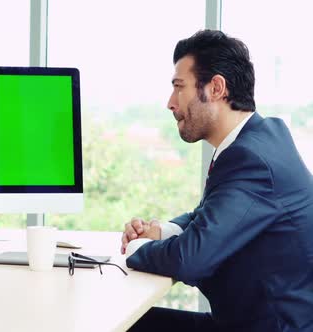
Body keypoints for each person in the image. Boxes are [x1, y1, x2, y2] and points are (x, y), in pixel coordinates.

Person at [121, 30, 313, 332]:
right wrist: (162, 231)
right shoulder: (262, 136)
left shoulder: (251, 159)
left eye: (179, 88)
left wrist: (136, 250)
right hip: (251, 322)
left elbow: (190, 259)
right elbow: (209, 214)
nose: (171, 103)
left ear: (217, 88)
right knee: (131, 323)